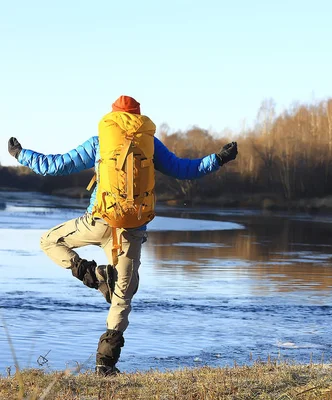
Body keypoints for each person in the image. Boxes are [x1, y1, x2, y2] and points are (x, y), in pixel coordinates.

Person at [6, 95, 238, 376]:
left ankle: (95, 276)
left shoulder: (100, 142)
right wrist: (218, 159)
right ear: (139, 118)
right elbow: (185, 170)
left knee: (49, 240)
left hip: (98, 221)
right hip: (131, 230)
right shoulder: (150, 144)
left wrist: (21, 154)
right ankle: (105, 365)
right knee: (124, 296)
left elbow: (56, 166)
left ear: (112, 117)